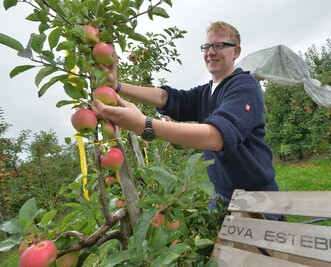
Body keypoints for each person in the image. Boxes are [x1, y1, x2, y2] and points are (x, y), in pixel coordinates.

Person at [91, 21, 280, 218]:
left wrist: (143, 125)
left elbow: (217, 136)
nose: (210, 52)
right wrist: (117, 86)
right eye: (206, 47)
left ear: (236, 51)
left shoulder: (245, 86)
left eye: (219, 45)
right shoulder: (206, 93)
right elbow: (167, 98)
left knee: (262, 250)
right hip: (222, 196)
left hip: (258, 198)